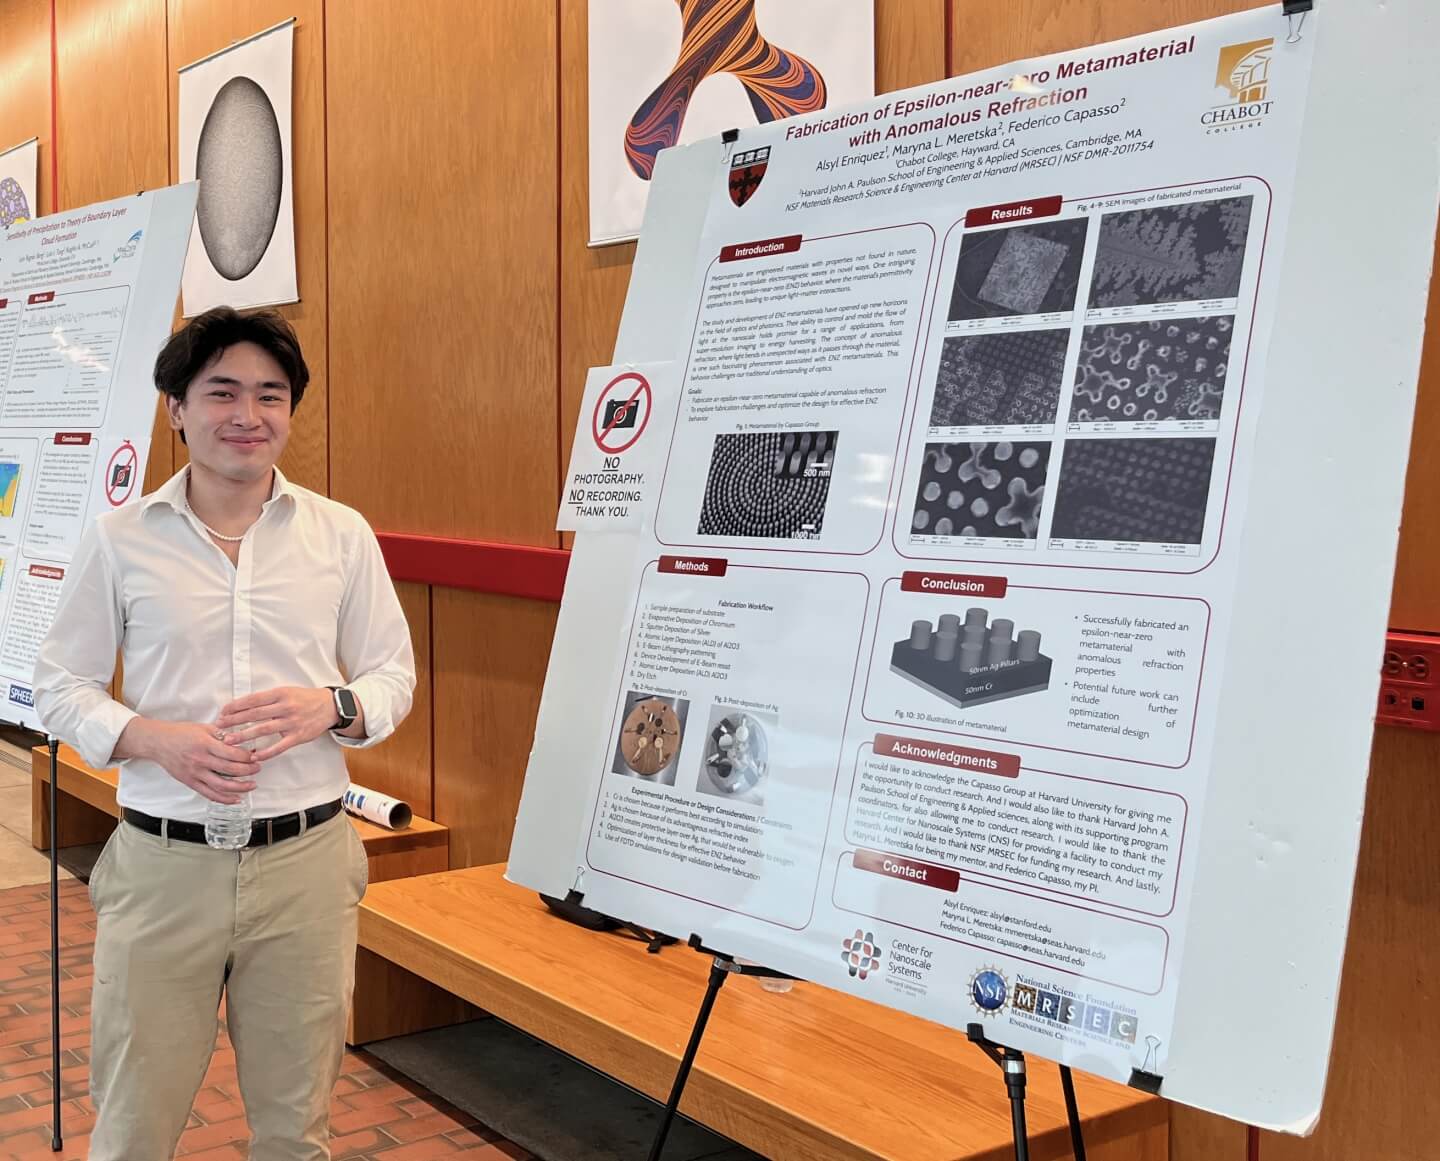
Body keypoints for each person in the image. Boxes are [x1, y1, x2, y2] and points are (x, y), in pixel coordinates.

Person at [33, 306, 416, 1161]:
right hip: (164, 867)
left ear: (290, 410)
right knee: (133, 1123)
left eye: (271, 396)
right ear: (176, 407)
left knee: (295, 1128)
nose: (248, 415)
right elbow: (59, 685)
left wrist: (333, 706)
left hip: (306, 868)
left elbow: (393, 675)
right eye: (223, 392)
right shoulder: (122, 540)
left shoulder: (340, 535)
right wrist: (150, 738)